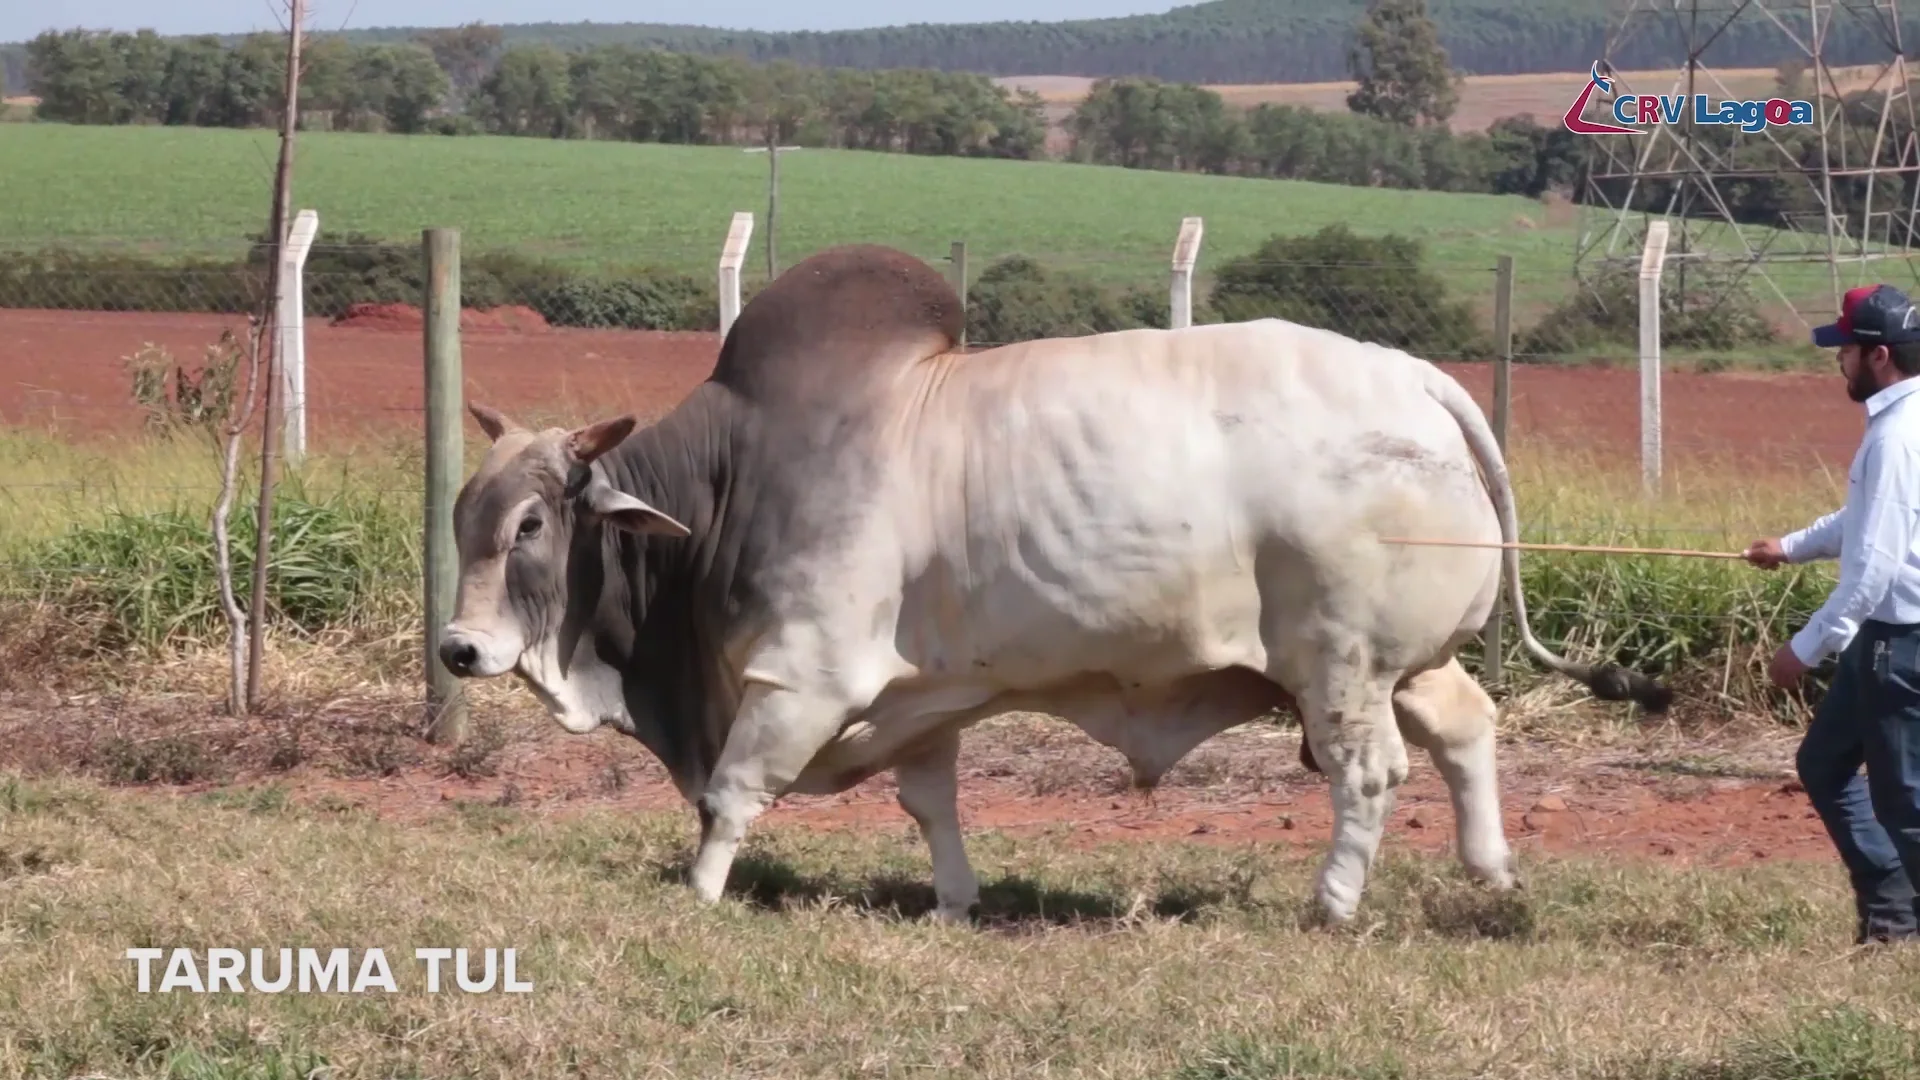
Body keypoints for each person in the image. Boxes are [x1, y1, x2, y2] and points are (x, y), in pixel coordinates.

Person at [1745, 282, 1920, 946]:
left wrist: (1808, 646)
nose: (1837, 361)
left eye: (1843, 349)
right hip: (1881, 640)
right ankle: (1892, 909)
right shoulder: (1900, 424)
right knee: (1823, 765)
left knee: (1907, 808)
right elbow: (1863, 521)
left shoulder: (1897, 438)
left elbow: (1874, 565)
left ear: (1877, 357)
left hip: (1901, 645)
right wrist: (1789, 548)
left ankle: (1902, 916)